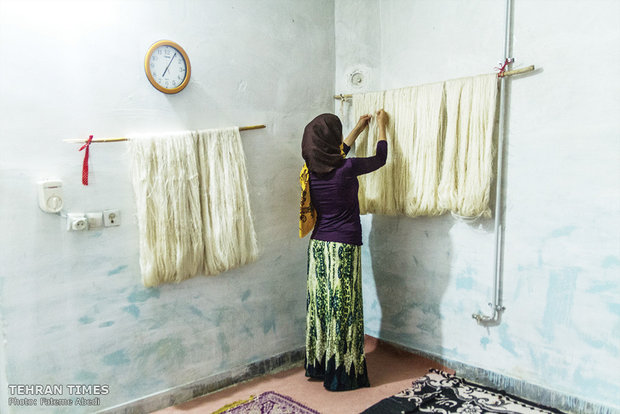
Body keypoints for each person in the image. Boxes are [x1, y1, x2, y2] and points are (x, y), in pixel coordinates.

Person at [300, 110, 388, 391]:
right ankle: (342, 374)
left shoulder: (309, 171)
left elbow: (335, 153)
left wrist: (358, 128)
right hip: (344, 247)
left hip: (318, 248)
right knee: (343, 310)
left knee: (322, 307)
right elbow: (380, 158)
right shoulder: (347, 169)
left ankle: (319, 365)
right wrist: (382, 127)